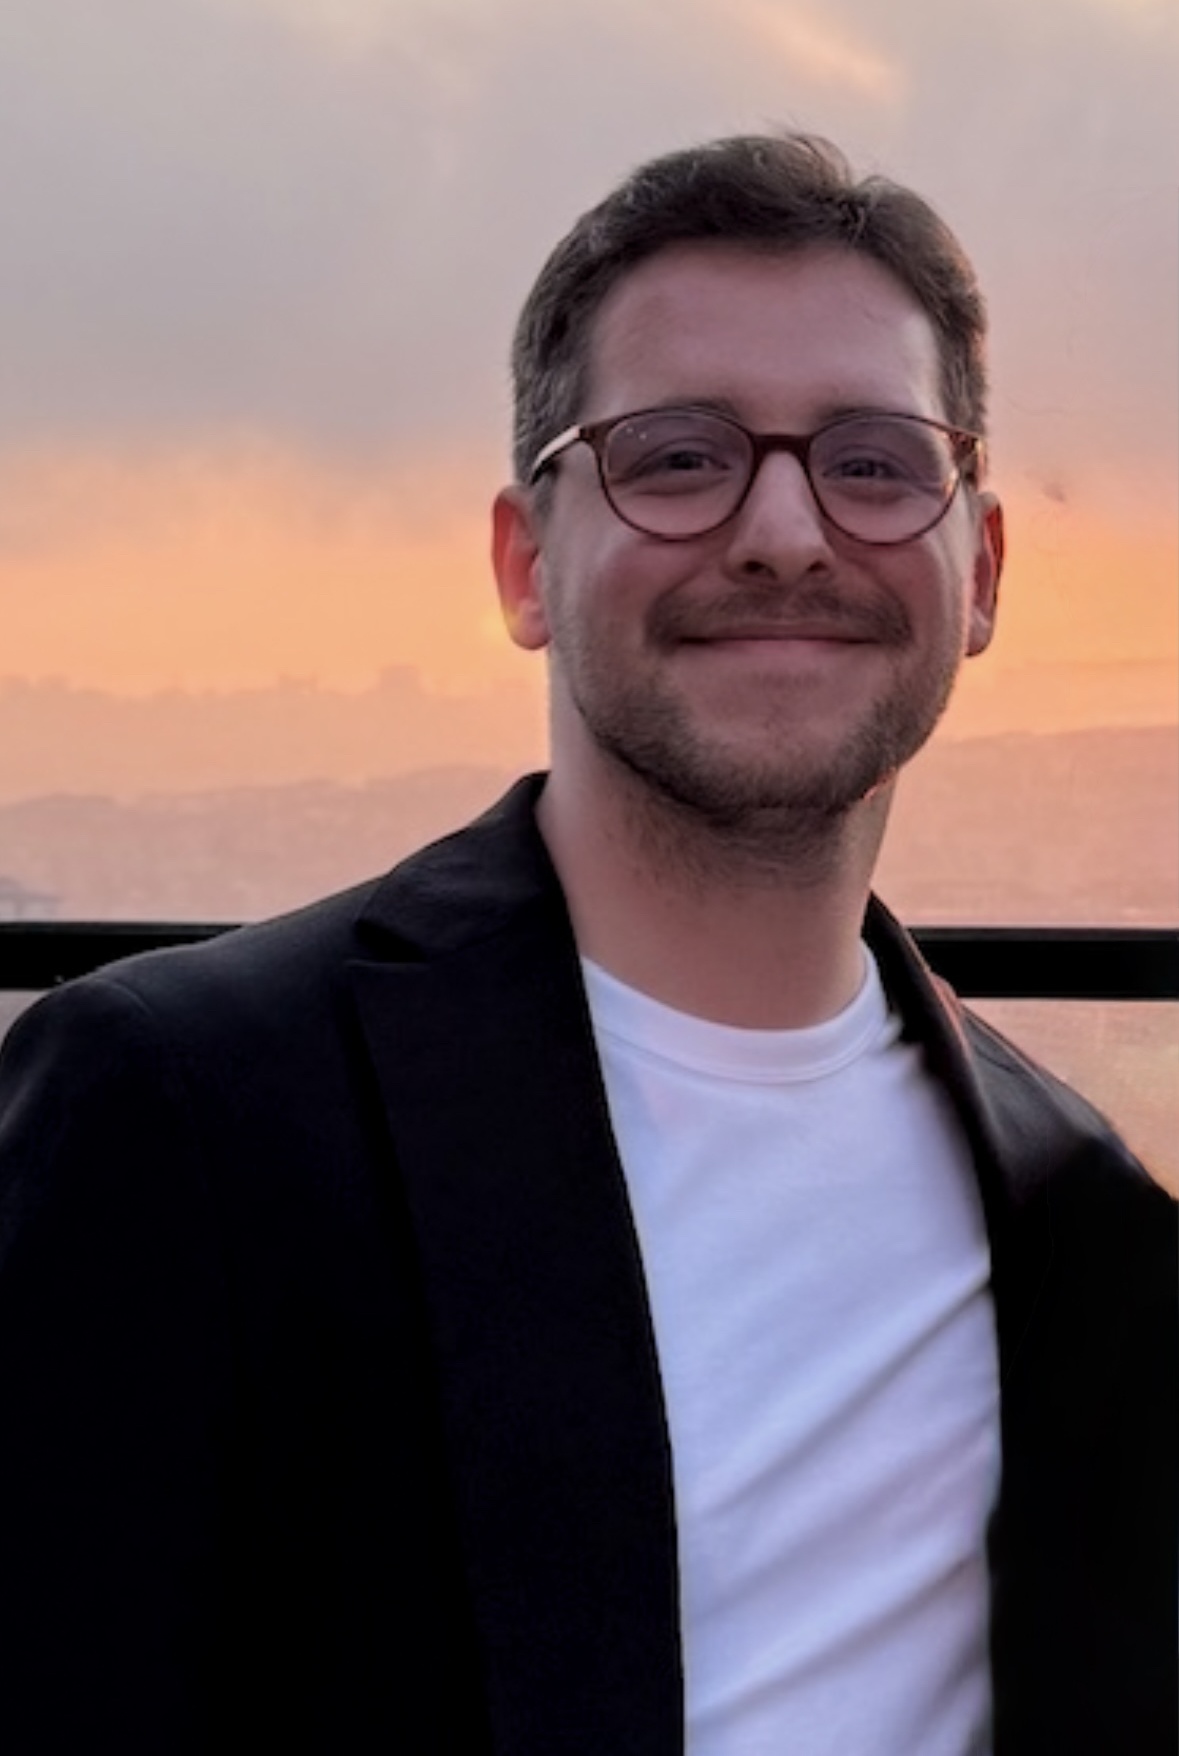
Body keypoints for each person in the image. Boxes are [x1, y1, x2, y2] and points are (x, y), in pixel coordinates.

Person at [0, 133, 1174, 1756]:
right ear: (524, 564)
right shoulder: (183, 1106)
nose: (786, 530)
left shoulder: (1085, 1218)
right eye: (678, 458)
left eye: (877, 462)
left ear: (979, 572)